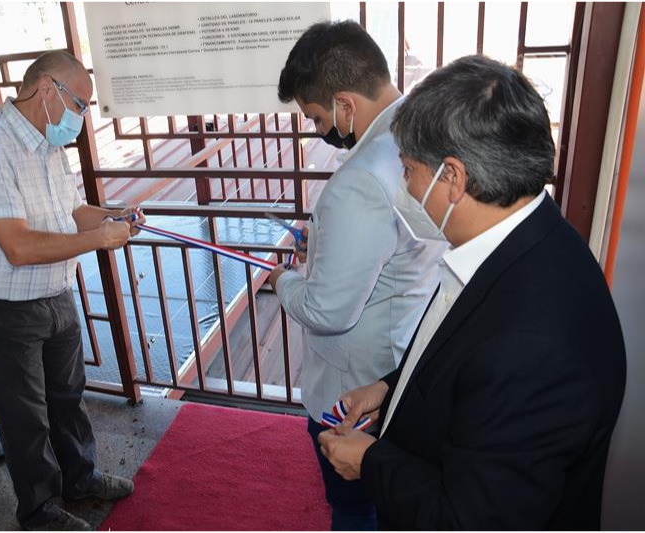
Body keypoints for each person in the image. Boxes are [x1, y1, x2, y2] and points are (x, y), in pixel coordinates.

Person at [318, 54, 627, 529]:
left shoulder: (529, 347)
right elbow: (458, 354)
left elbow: (472, 517)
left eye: (408, 170)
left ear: (454, 178)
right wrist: (390, 387)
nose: (404, 186)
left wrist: (370, 462)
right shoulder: (526, 238)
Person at [0, 51, 143, 531]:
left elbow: (74, 210)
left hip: (55, 294)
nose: (82, 117)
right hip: (3, 308)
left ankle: (80, 477)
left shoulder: (48, 148)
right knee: (25, 416)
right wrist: (98, 239)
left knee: (68, 397)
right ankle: (38, 511)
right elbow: (16, 245)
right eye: (81, 103)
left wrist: (114, 218)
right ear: (47, 90)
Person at [269, 20, 446, 530]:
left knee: (355, 505)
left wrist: (282, 281)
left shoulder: (359, 181)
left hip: (355, 380)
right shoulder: (420, 132)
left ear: (346, 103)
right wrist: (323, 242)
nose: (318, 128)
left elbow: (327, 310)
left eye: (318, 116)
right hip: (399, 350)